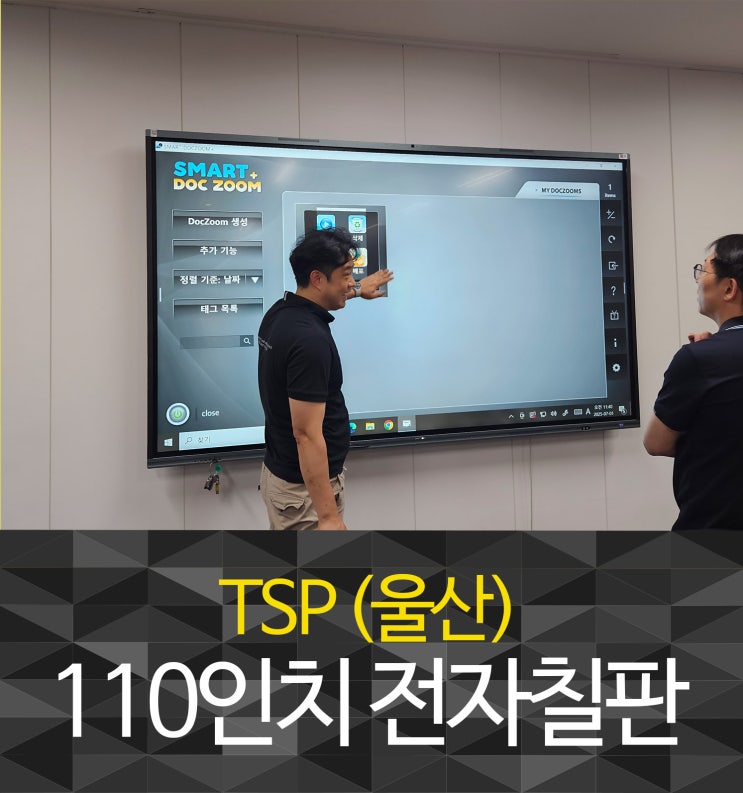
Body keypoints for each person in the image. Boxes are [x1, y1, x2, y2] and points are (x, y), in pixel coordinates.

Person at [257, 228, 393, 531]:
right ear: (317, 278)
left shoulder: (281, 313)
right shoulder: (309, 341)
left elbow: (326, 296)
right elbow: (306, 434)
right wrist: (328, 516)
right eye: (346, 275)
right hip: (304, 495)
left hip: (286, 478)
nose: (351, 282)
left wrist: (358, 290)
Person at [644, 234, 743, 530]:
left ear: (729, 288)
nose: (698, 280)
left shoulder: (698, 359)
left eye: (704, 270)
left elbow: (656, 443)